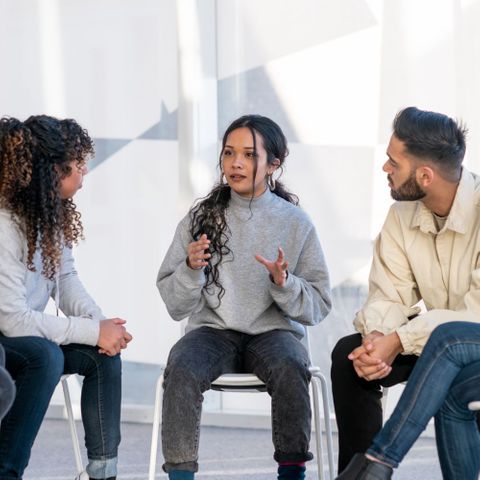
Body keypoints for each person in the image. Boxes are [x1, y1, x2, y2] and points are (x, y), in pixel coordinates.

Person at [156, 114, 331, 480]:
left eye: (249, 155)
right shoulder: (201, 217)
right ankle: (180, 475)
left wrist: (285, 284)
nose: (235, 163)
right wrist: (190, 269)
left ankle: (291, 473)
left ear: (273, 164)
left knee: (291, 364)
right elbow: (175, 305)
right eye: (229, 153)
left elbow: (319, 304)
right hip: (213, 331)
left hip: (272, 332)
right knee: (182, 364)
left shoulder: (296, 223)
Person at [330, 106, 480, 473]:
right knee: (350, 356)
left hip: (469, 341)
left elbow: (474, 316)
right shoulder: (401, 216)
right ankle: (357, 470)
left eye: (393, 162)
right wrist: (378, 340)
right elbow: (388, 293)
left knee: (449, 344)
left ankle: (374, 467)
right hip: (433, 341)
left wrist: (398, 340)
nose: (386, 169)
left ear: (425, 175)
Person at [0, 115, 133, 480]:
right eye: (77, 160)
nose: (86, 169)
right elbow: (11, 320)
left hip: (25, 331)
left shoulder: (49, 215)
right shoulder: (5, 224)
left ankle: (103, 472)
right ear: (51, 170)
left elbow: (66, 279)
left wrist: (102, 328)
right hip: (5, 336)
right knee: (45, 356)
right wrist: (92, 331)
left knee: (101, 357)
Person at [336, 322, 480, 480]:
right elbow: (391, 298)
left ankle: (375, 463)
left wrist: (398, 340)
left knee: (447, 340)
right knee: (350, 351)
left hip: (457, 338)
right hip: (434, 334)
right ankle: (366, 469)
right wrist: (377, 334)